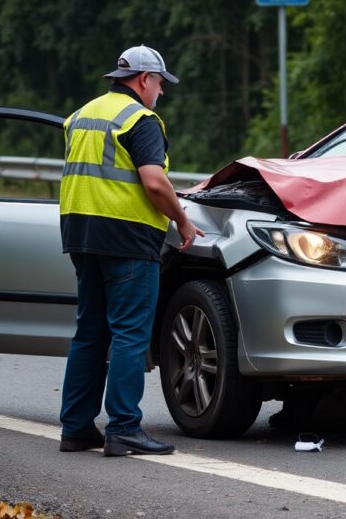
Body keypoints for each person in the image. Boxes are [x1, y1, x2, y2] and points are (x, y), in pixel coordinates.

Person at [58, 45, 203, 456]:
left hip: (81, 233)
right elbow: (154, 182)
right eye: (160, 83)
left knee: (90, 331)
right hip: (126, 236)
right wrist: (182, 219)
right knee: (129, 333)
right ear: (143, 80)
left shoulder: (81, 115)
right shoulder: (141, 120)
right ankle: (123, 427)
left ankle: (76, 427)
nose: (161, 92)